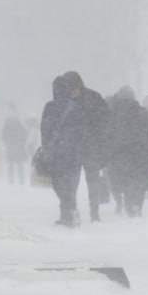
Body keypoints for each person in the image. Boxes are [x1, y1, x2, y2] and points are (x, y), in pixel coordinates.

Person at [60, 71, 110, 222]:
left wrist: (97, 135)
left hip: (90, 147)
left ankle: (94, 211)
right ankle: (72, 210)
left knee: (92, 181)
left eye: (74, 88)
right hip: (73, 148)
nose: (72, 92)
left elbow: (106, 119)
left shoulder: (93, 98)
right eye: (69, 89)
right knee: (71, 182)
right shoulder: (64, 101)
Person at [107, 86, 148, 217]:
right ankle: (136, 204)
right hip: (140, 153)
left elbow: (108, 134)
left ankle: (128, 202)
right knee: (139, 181)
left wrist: (105, 151)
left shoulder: (113, 113)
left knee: (125, 180)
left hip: (119, 154)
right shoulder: (141, 112)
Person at [41, 76, 83, 227]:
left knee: (59, 184)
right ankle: (69, 213)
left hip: (57, 154)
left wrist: (46, 147)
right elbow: (80, 133)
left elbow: (44, 130)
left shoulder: (50, 107)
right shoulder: (75, 108)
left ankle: (68, 213)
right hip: (71, 154)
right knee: (70, 185)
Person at [1, 104, 28, 185]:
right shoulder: (17, 121)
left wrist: (7, 142)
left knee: (12, 164)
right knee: (18, 165)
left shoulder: (8, 122)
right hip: (17, 146)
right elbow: (24, 133)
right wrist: (21, 141)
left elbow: (3, 135)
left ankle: (12, 181)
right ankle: (20, 181)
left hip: (12, 146)